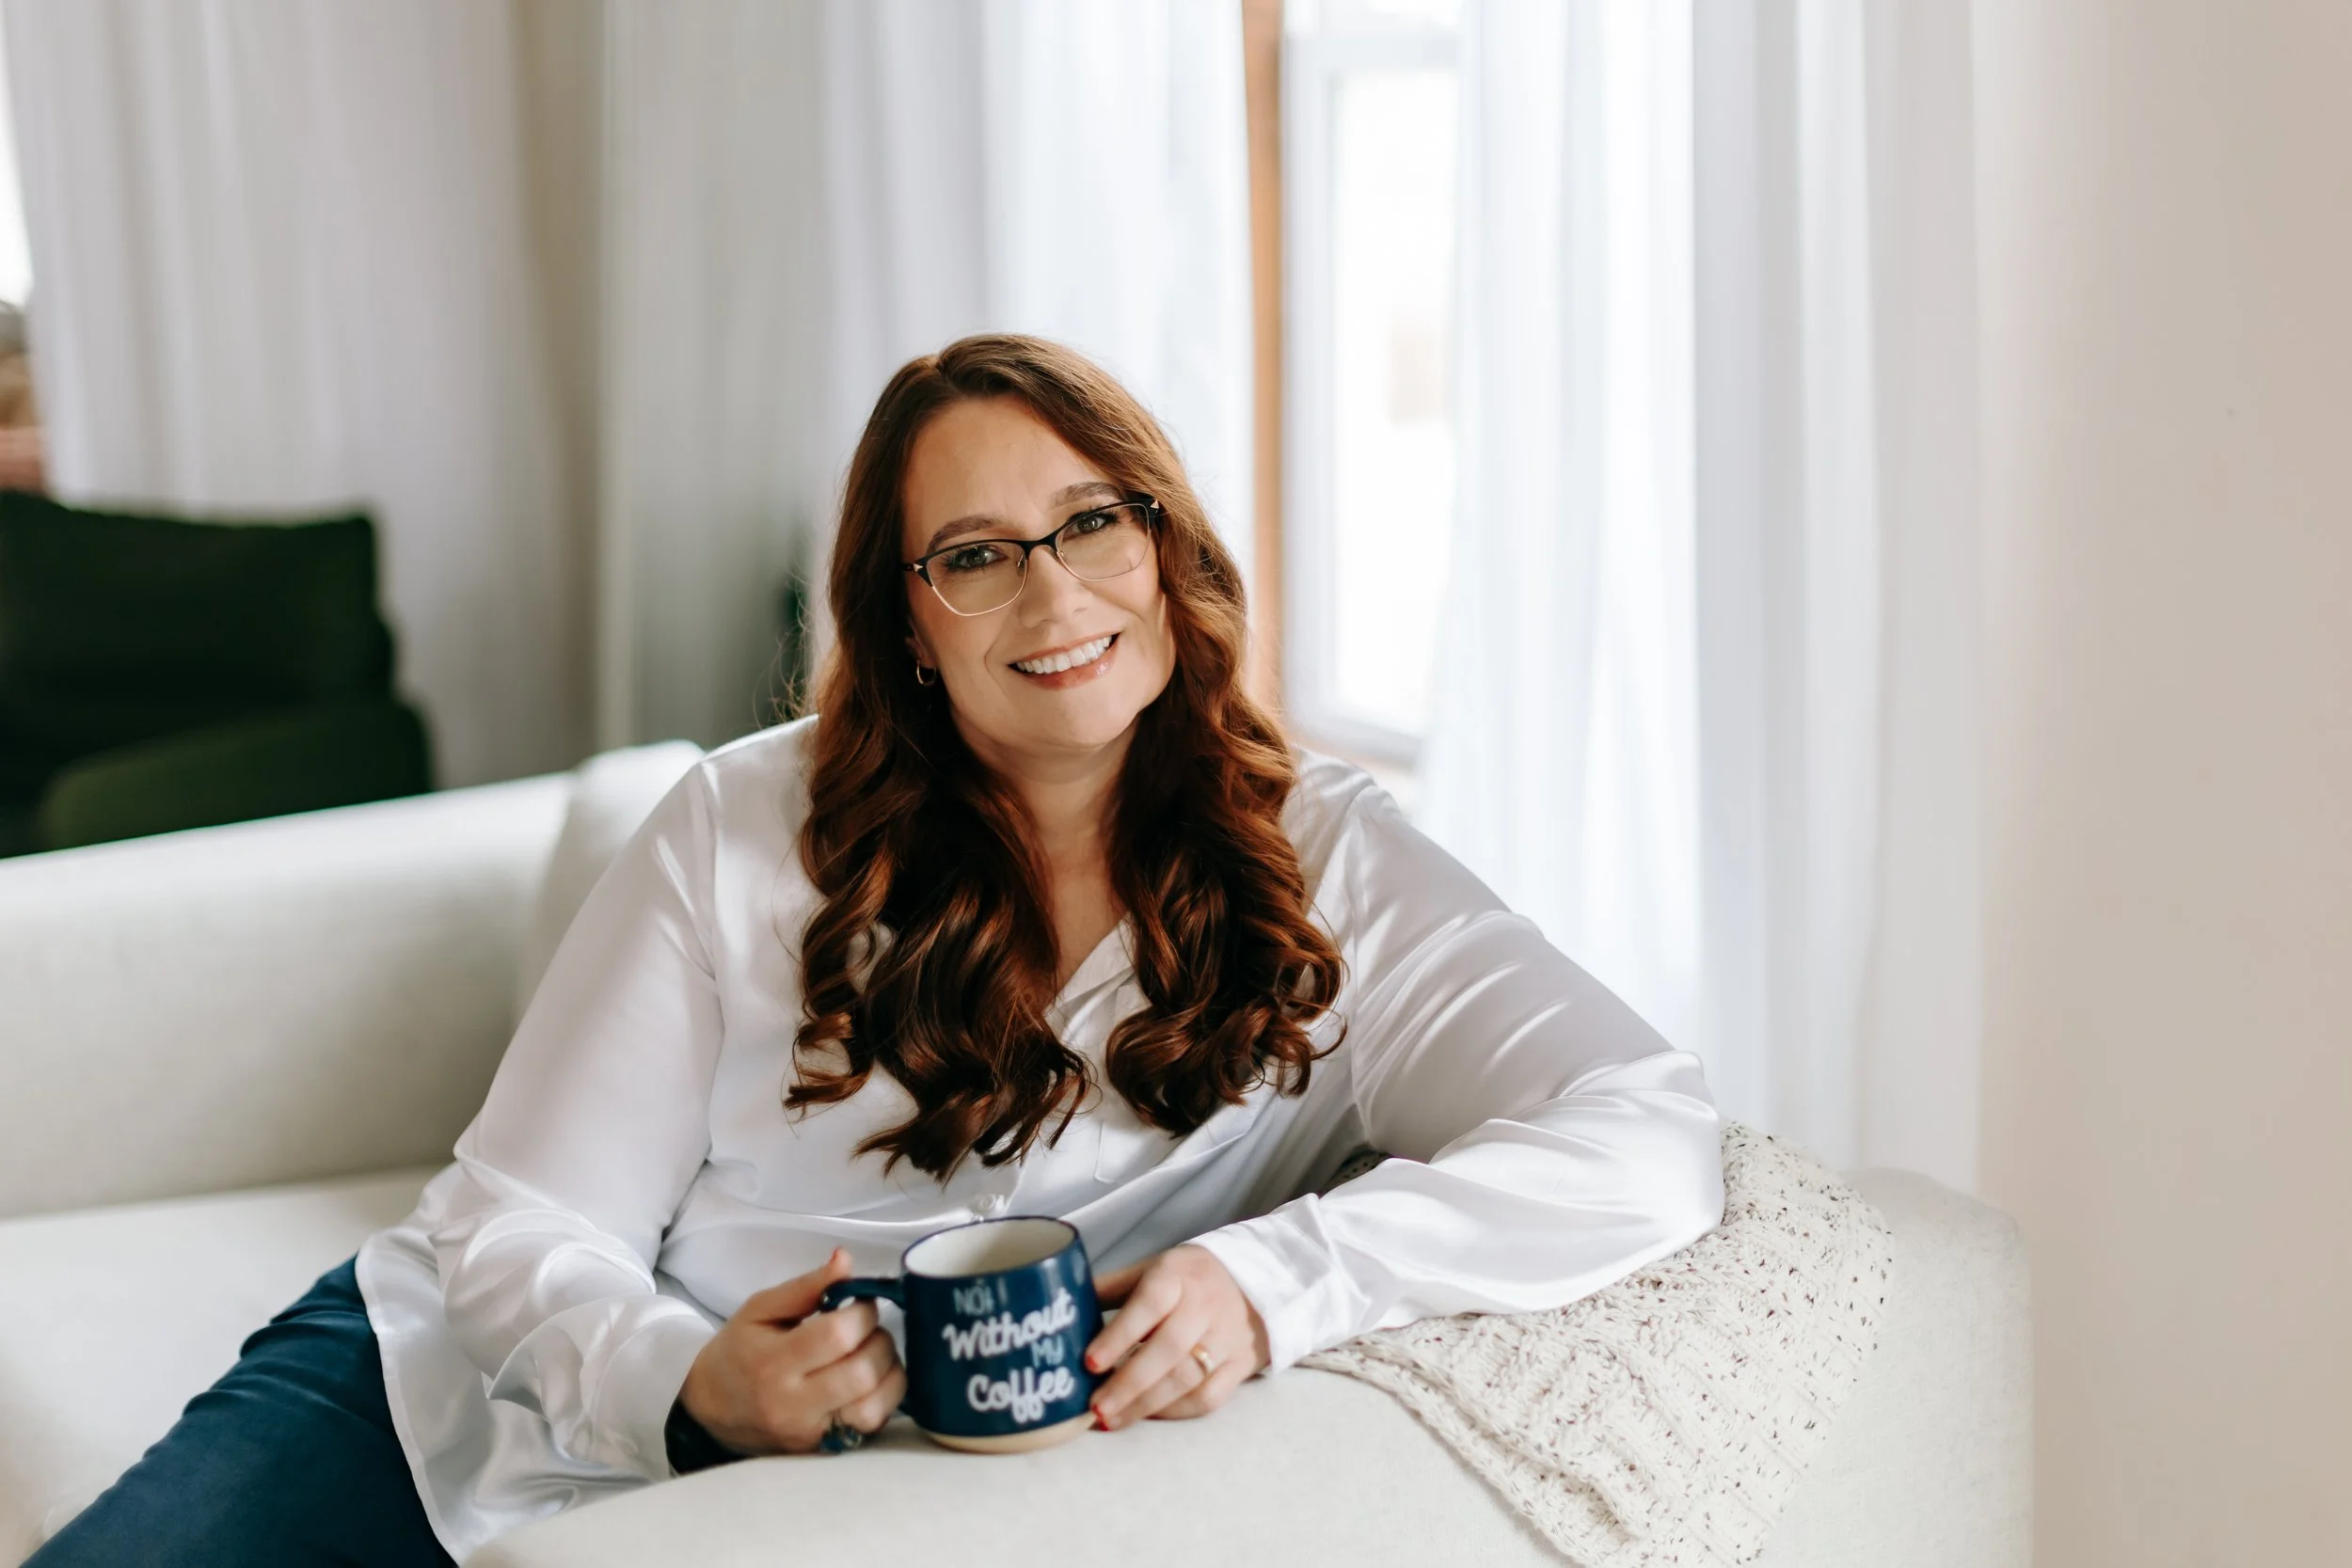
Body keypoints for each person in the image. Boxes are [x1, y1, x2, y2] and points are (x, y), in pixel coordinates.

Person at [28, 335, 1724, 1566]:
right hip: (449, 1397)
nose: (1052, 596)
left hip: (819, 1503)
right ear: (907, 626)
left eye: (1090, 523)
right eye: (974, 559)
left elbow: (1643, 1130)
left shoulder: (1334, 867)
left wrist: (1279, 1283)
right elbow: (512, 1222)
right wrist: (694, 1380)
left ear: (1164, 541)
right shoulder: (735, 829)